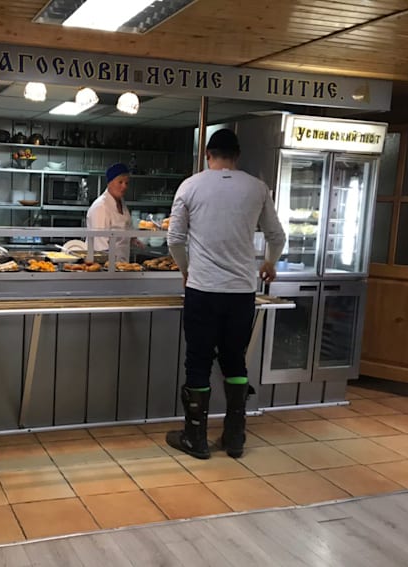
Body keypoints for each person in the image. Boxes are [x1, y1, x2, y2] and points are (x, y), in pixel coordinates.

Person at [165, 128, 286, 460]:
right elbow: (277, 235)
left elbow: (174, 239)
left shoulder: (191, 185)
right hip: (241, 292)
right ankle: (235, 438)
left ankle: (196, 438)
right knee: (234, 360)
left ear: (207, 155)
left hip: (203, 289)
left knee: (199, 360)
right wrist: (270, 263)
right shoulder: (257, 187)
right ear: (237, 156)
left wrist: (185, 269)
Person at [85, 163, 142, 263]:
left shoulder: (121, 202)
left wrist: (133, 239)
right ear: (110, 182)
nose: (124, 186)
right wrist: (110, 268)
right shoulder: (101, 207)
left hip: (122, 265)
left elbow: (126, 227)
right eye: (120, 182)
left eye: (126, 183)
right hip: (106, 267)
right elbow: (100, 246)